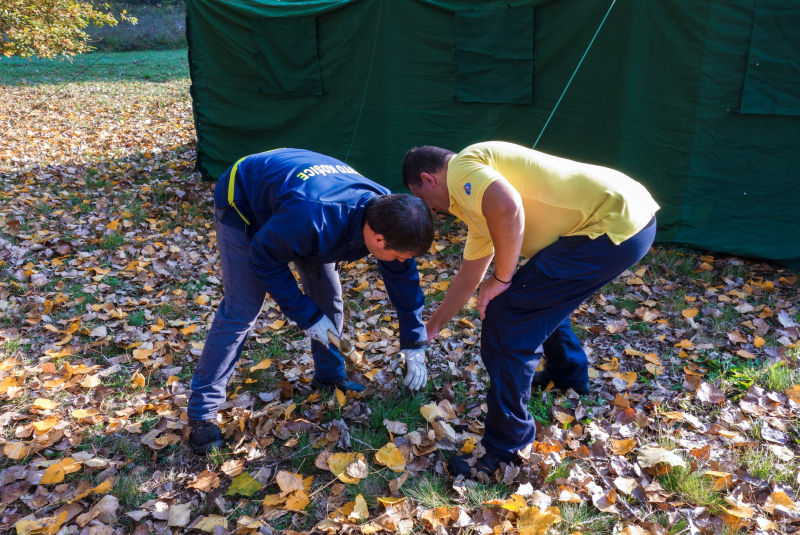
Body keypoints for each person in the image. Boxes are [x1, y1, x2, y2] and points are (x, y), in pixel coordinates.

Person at [402, 141, 659, 478]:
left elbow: (508, 206)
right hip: (626, 218)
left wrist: (502, 278)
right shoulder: (475, 207)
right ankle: (567, 375)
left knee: (506, 315)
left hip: (611, 224)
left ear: (428, 179)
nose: (430, 209)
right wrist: (431, 328)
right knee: (533, 295)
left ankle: (505, 449)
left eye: (423, 198)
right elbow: (468, 277)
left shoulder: (463, 167)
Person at [188, 148, 433, 454]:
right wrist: (307, 316)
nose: (399, 262)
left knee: (329, 299)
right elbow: (264, 259)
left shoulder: (393, 215)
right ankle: (202, 413)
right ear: (378, 240)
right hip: (245, 197)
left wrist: (414, 344)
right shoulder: (315, 217)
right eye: (397, 256)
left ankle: (329, 376)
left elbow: (405, 286)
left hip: (299, 207)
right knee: (243, 308)